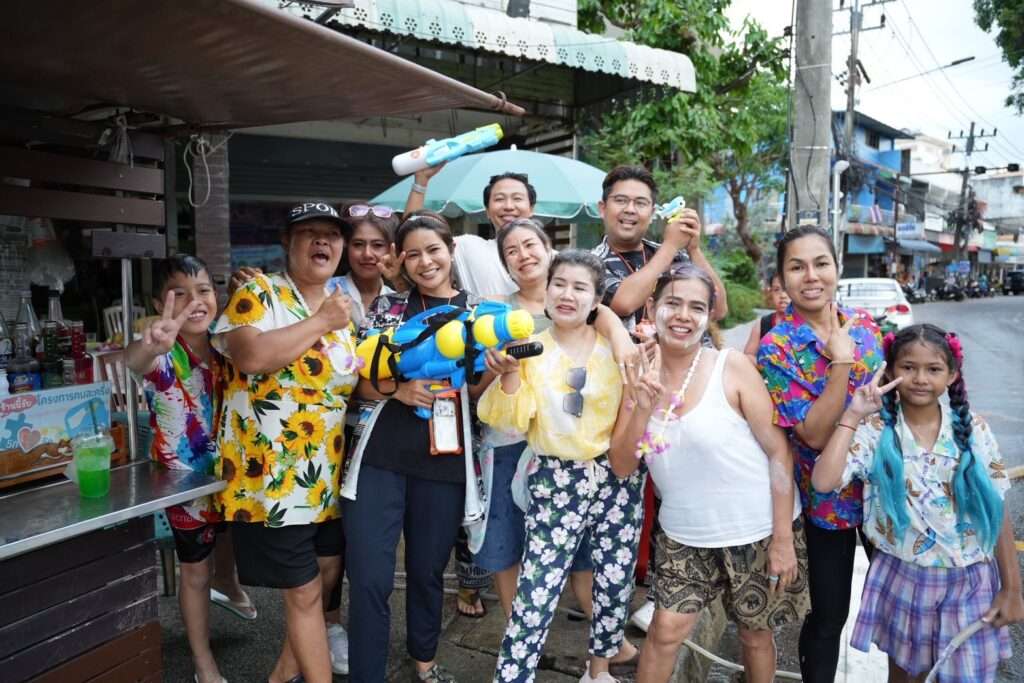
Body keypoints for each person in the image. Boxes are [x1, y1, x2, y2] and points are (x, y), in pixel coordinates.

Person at [608, 264, 808, 683]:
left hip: (755, 530)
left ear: (708, 315)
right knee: (664, 632)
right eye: (673, 303)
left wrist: (782, 540)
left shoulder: (730, 367)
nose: (683, 315)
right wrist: (641, 406)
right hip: (683, 535)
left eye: (696, 307)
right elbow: (622, 465)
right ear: (652, 309)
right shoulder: (636, 373)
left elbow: (778, 453)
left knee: (755, 636)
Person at [471, 217, 640, 666]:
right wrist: (509, 376)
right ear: (545, 292)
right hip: (553, 478)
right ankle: (515, 672)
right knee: (537, 586)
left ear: (597, 300)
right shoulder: (529, 347)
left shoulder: (618, 350)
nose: (567, 294)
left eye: (580, 288)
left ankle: (600, 669)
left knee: (613, 577)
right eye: (559, 285)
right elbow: (508, 417)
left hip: (616, 478)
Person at [811, 324, 1023, 682]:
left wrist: (1012, 589)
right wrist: (852, 415)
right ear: (891, 370)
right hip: (904, 578)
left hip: (971, 581)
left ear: (952, 375)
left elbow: (997, 510)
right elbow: (823, 481)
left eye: (933, 369)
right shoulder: (874, 431)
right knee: (906, 676)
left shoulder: (973, 429)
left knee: (968, 675)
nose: (920, 378)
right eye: (908, 367)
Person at [213, 202, 359, 683]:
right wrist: (322, 322)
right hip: (274, 479)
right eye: (309, 233)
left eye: (331, 235)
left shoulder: (342, 307)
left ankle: (279, 677)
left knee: (326, 576)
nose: (322, 242)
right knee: (305, 592)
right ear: (287, 243)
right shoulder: (259, 292)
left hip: (327, 478)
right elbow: (251, 356)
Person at [342, 211, 476, 683]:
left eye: (434, 250)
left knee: (427, 571)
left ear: (451, 251)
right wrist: (395, 390)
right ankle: (366, 675)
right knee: (369, 577)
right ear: (401, 259)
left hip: (445, 461)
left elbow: (481, 393)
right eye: (413, 254)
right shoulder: (388, 307)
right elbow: (354, 380)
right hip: (379, 456)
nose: (426, 262)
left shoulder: (479, 312)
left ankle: (425, 660)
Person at [756, 225, 884, 683]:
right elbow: (811, 435)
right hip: (825, 502)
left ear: (836, 267)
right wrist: (841, 363)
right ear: (782, 278)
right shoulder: (777, 347)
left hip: (885, 491)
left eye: (821, 263)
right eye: (797, 267)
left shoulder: (866, 326)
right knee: (829, 616)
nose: (811, 276)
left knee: (900, 605)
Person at [126, 255, 255, 683]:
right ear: (158, 303)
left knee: (230, 535)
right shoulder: (164, 352)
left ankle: (229, 585)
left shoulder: (227, 345)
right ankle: (203, 663)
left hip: (230, 471)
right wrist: (149, 345)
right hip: (184, 483)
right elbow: (134, 361)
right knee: (195, 571)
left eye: (202, 291)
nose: (194, 301)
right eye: (179, 294)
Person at [592, 165, 727, 335]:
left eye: (640, 203)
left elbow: (718, 309)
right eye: (620, 200)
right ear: (603, 209)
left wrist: (693, 249)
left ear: (652, 213)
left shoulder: (675, 257)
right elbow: (624, 304)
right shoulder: (590, 263)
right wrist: (670, 246)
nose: (630, 209)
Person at [743, 269, 790, 364]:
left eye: (787, 289)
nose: (783, 295)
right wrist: (766, 366)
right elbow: (748, 356)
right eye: (777, 290)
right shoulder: (762, 324)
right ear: (770, 292)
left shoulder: (808, 322)